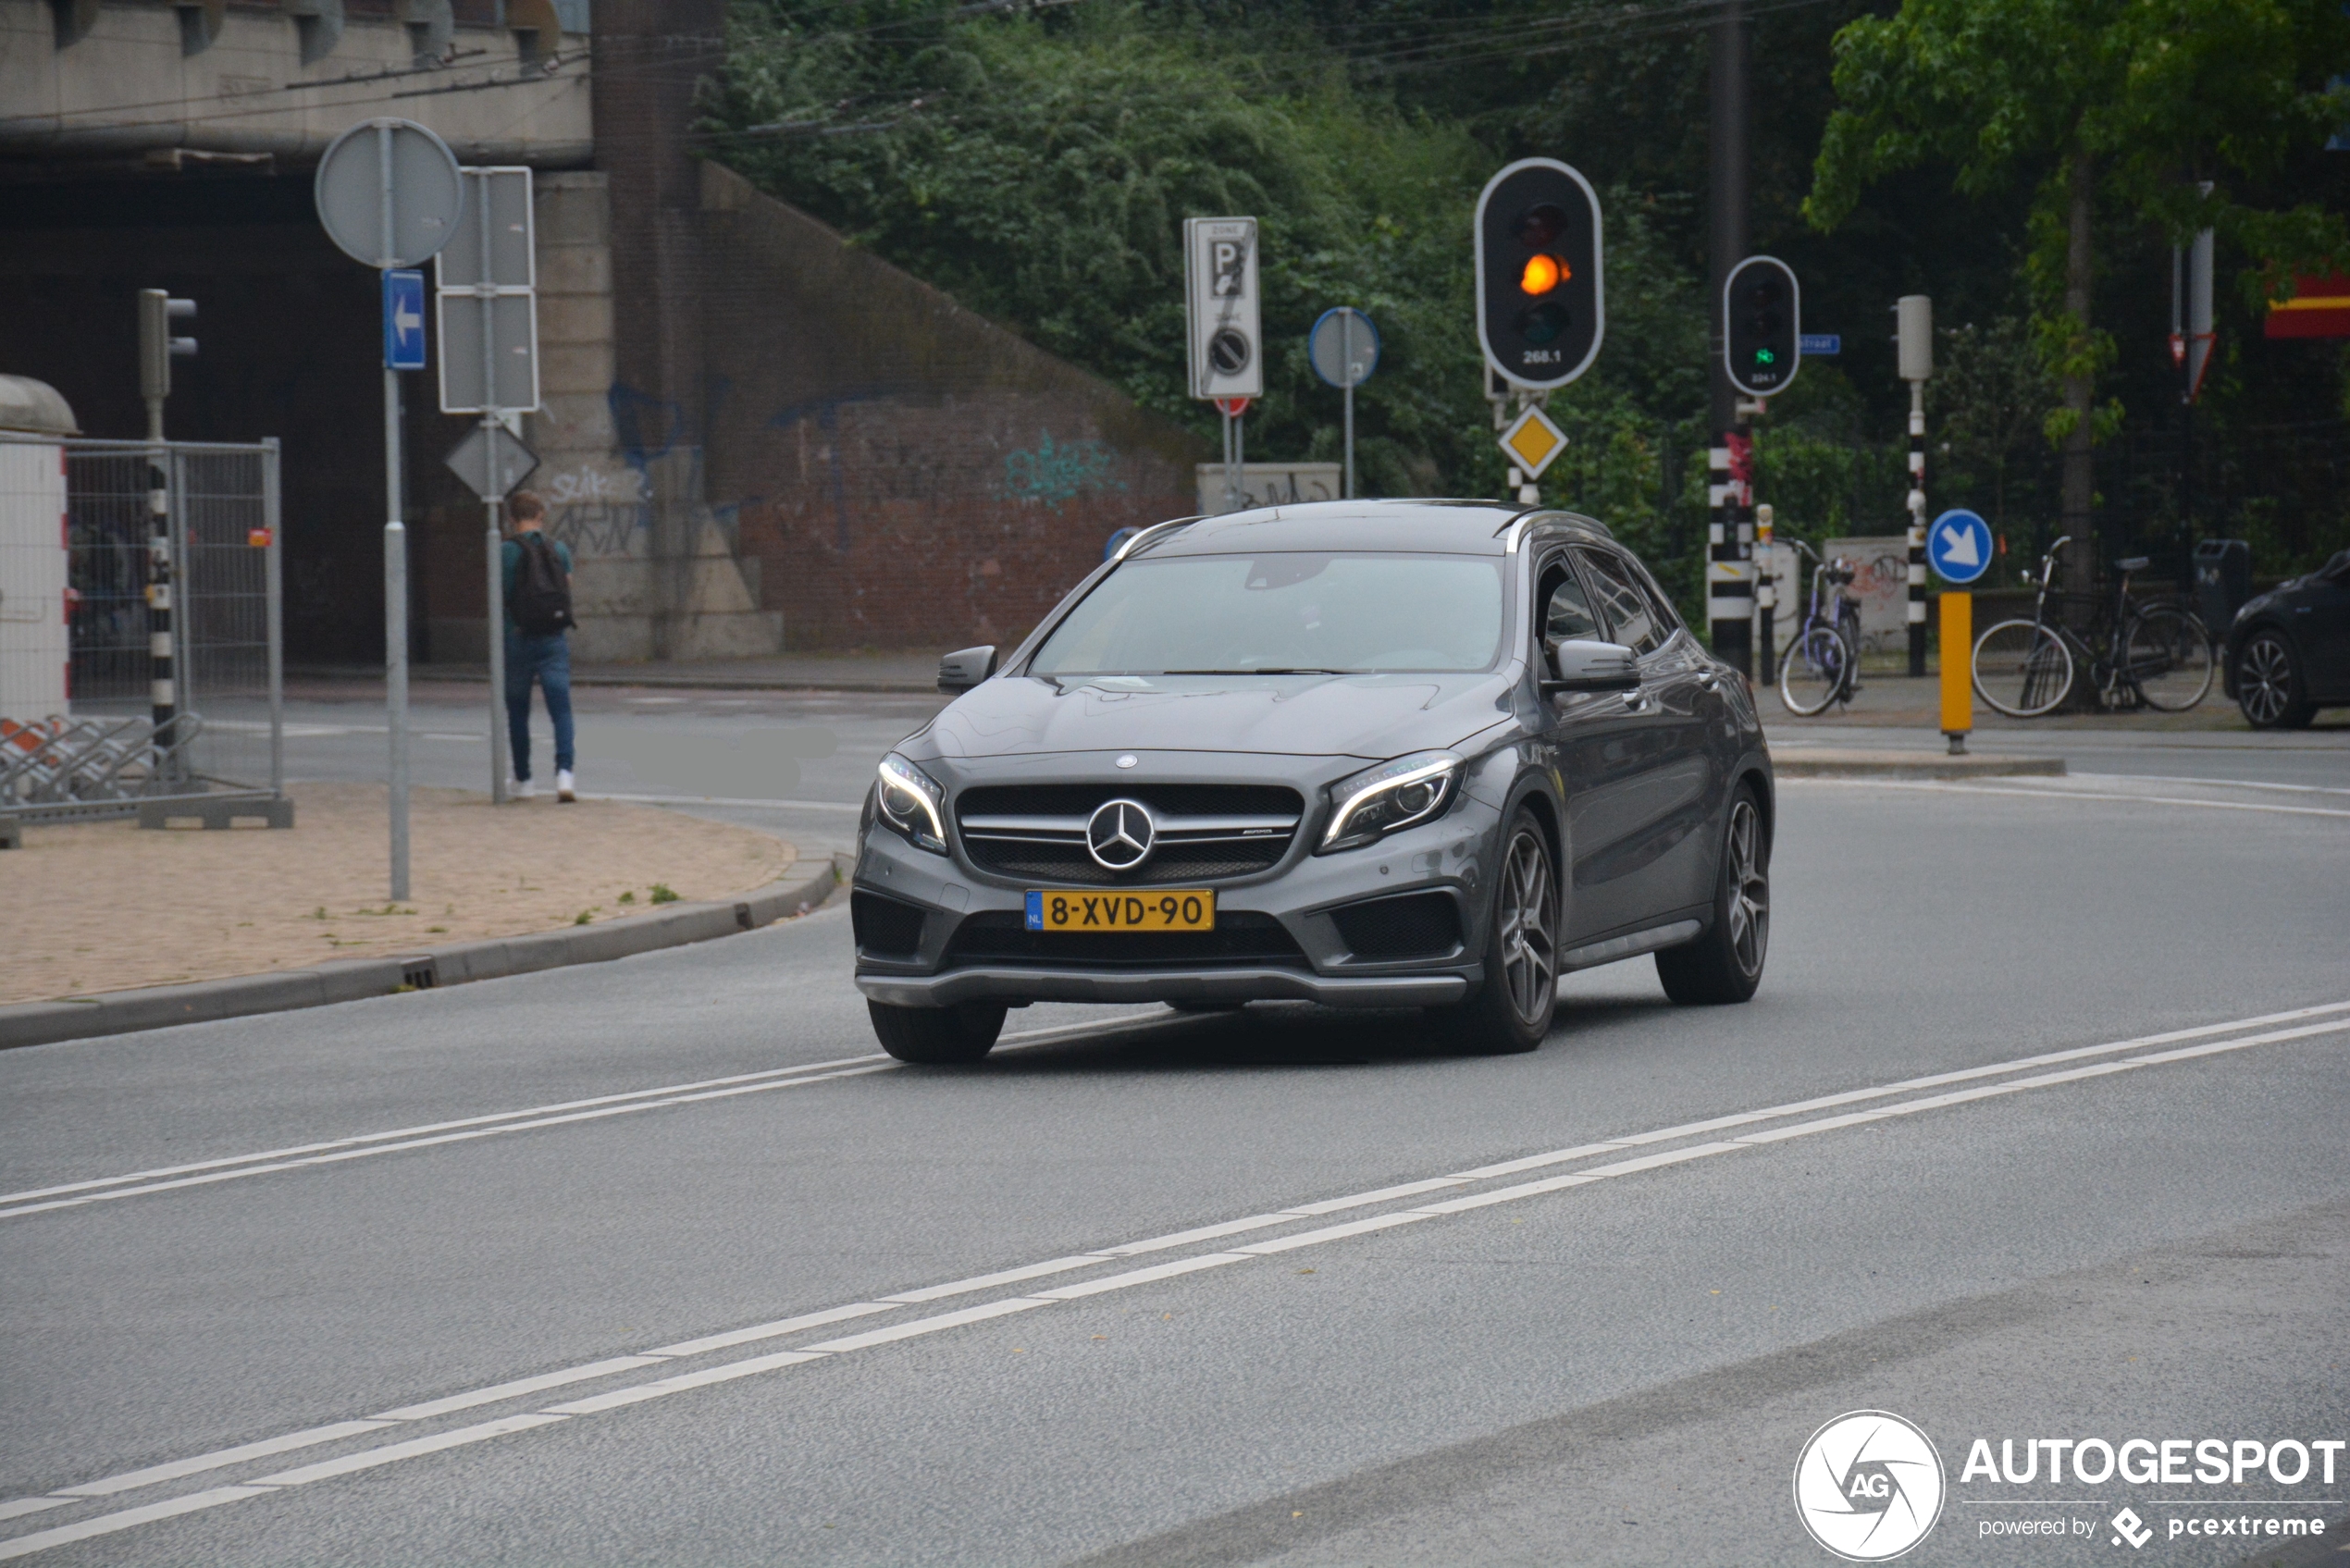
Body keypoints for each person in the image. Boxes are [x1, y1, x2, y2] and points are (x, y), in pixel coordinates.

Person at [501, 490, 575, 802]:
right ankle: (564, 776)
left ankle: (524, 780)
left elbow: (500, 596)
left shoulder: (505, 551)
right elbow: (567, 590)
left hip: (517, 637)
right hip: (553, 639)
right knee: (561, 710)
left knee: (518, 711)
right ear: (541, 516)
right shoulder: (558, 549)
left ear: (512, 518)